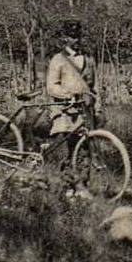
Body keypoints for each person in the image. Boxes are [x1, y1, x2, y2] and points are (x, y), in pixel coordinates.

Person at [43, 26, 99, 164]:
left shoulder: (89, 59)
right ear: (65, 39)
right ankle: (58, 175)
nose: (77, 40)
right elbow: (51, 87)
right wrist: (68, 95)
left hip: (85, 111)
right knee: (64, 148)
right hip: (65, 110)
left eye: (79, 36)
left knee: (85, 150)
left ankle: (81, 179)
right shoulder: (58, 59)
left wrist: (98, 108)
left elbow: (95, 87)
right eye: (73, 37)